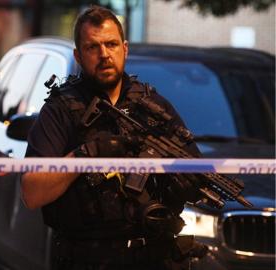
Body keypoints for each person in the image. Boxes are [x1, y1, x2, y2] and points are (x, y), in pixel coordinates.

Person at [21, 6, 206, 270]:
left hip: (153, 256)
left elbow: (196, 174)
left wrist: (184, 183)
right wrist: (85, 155)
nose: (104, 54)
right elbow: (31, 192)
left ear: (125, 49)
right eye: (93, 47)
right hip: (86, 257)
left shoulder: (154, 107)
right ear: (78, 55)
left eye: (111, 44)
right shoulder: (62, 109)